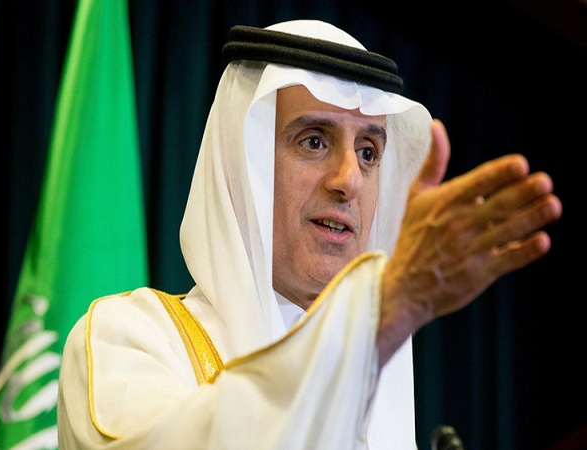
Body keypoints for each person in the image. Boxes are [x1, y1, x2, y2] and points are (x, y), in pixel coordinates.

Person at [56, 19, 562, 449]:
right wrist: (385, 312)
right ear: (242, 167)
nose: (349, 181)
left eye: (369, 152)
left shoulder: (379, 395)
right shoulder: (131, 340)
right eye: (314, 141)